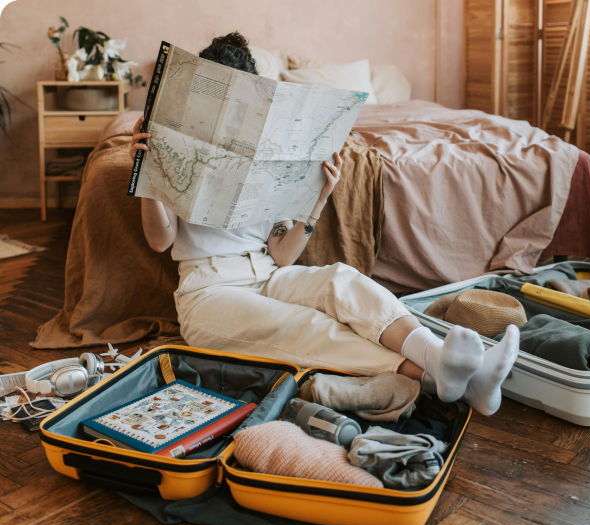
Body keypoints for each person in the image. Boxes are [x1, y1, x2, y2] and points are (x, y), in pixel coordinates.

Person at [129, 32, 520, 416]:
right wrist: (145, 174)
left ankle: (448, 362)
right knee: (308, 327)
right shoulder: (174, 141)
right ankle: (447, 381)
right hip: (209, 291)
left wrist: (317, 200)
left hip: (267, 274)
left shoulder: (269, 145)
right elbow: (160, 241)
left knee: (342, 280)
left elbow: (282, 256)